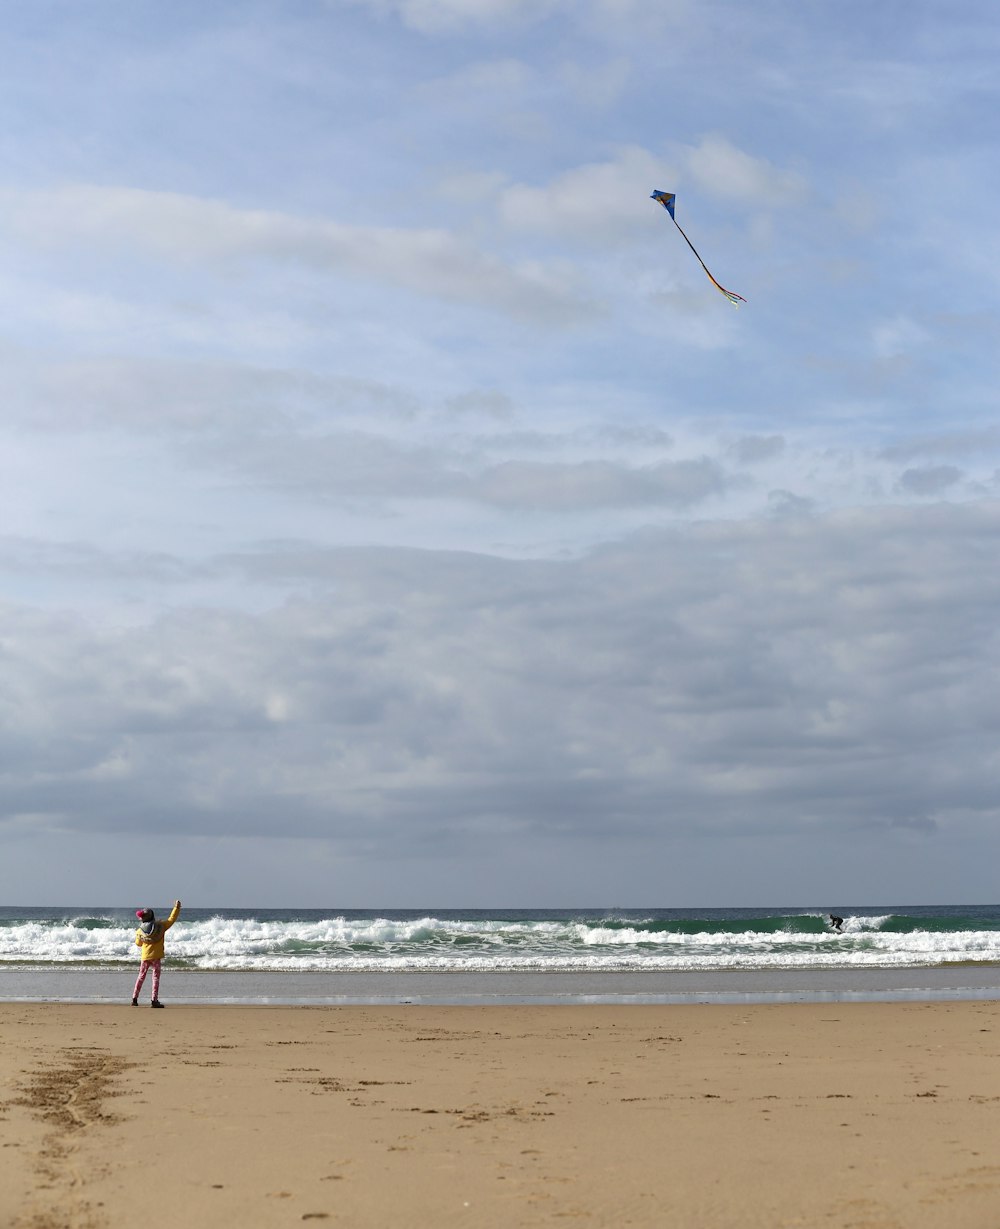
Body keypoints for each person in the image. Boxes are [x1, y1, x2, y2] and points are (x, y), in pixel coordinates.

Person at [132, 900, 182, 1007]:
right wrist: (176, 908)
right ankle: (154, 1000)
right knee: (155, 978)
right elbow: (171, 919)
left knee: (141, 976)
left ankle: (134, 999)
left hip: (145, 956)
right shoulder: (161, 926)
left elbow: (138, 943)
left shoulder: (139, 931)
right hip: (156, 957)